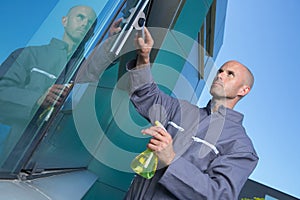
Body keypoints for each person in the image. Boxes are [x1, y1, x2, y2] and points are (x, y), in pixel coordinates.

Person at [124, 27, 259, 199]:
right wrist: (143, 58)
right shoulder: (182, 109)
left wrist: (171, 159)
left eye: (230, 74)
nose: (220, 76)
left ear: (244, 90)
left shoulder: (241, 147)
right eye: (220, 71)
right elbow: (147, 95)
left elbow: (218, 195)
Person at [0, 5, 100, 166]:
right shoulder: (28, 55)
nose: (84, 24)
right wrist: (37, 100)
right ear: (64, 21)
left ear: (93, 34)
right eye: (80, 17)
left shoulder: (84, 73)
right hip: (8, 159)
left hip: (48, 166)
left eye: (90, 23)